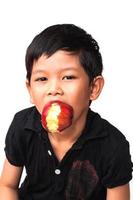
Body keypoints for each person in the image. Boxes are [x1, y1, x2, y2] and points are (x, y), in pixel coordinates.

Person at [0, 24, 132, 200]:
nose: (53, 89)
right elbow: (7, 185)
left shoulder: (112, 146)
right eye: (42, 79)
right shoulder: (23, 126)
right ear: (30, 90)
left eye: (68, 77)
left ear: (93, 87)